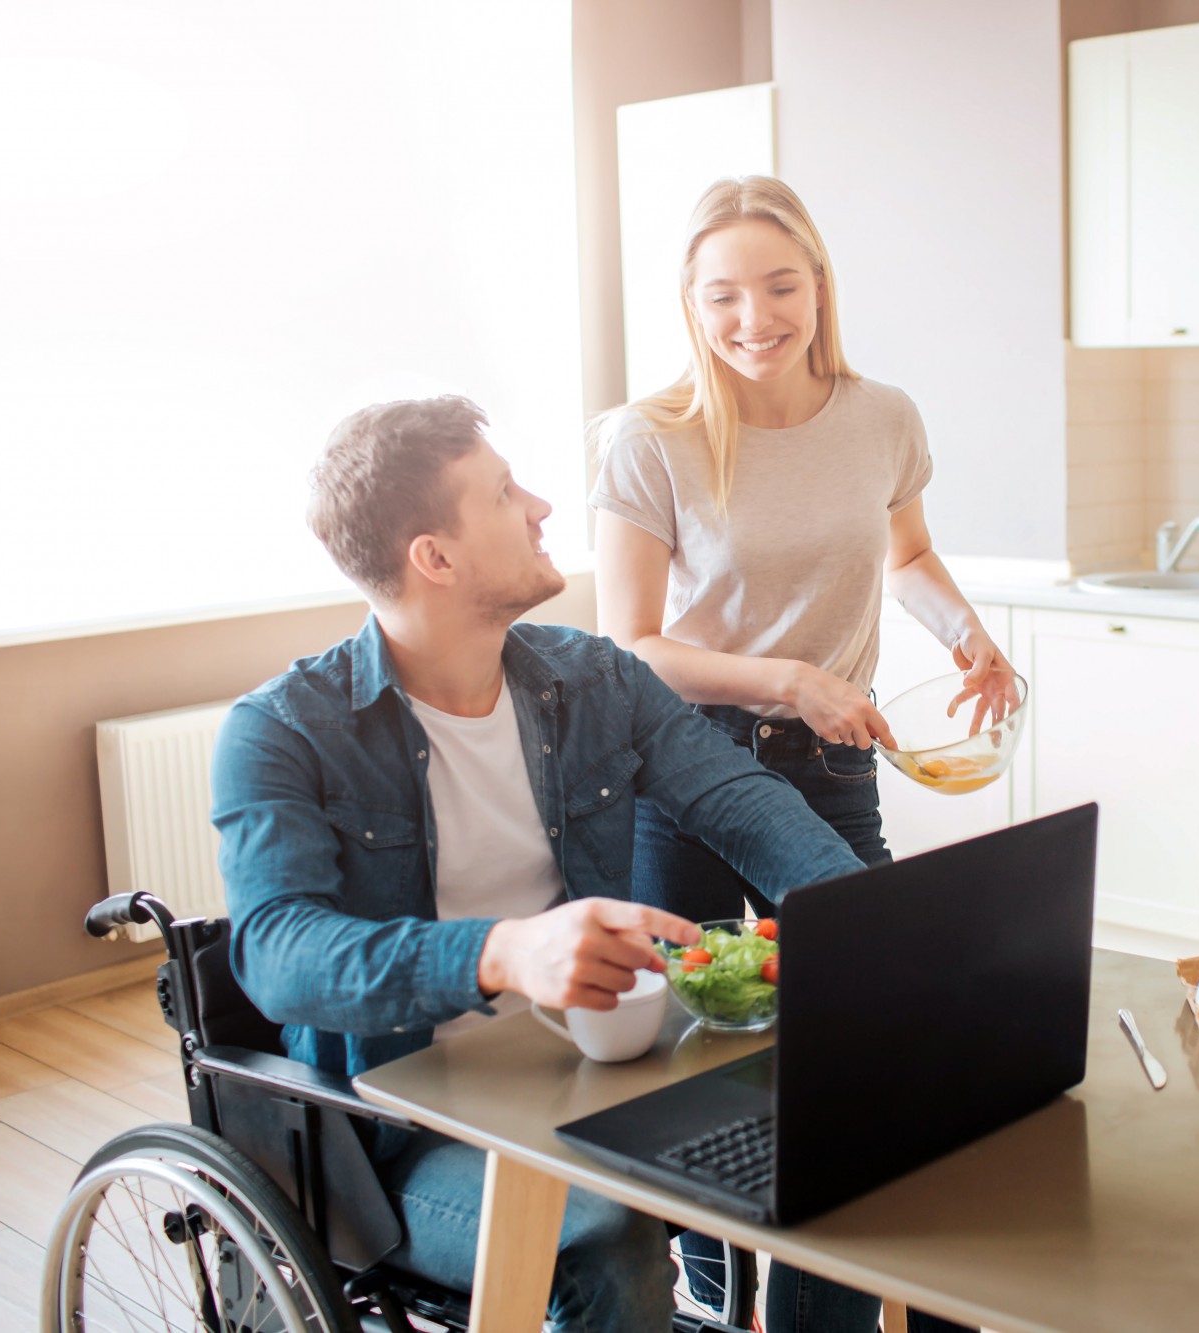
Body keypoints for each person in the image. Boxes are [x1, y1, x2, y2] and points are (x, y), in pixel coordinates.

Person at [211, 395, 868, 1333]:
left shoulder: (594, 678)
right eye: (504, 493)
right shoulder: (282, 730)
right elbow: (278, 953)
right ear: (435, 558)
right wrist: (505, 952)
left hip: (597, 1072)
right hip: (400, 1135)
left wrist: (868, 921)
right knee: (609, 1241)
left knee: (846, 1143)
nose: (542, 506)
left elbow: (742, 801)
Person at [591, 176, 1004, 1333]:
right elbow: (629, 647)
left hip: (829, 761)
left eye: (779, 286)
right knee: (692, 1038)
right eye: (722, 295)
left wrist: (969, 637)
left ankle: (826, 1279)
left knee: (868, 1009)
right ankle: (710, 1272)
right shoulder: (650, 440)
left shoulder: (881, 418)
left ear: (818, 284)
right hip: (679, 764)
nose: (753, 318)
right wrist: (786, 679)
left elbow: (905, 553)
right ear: (689, 302)